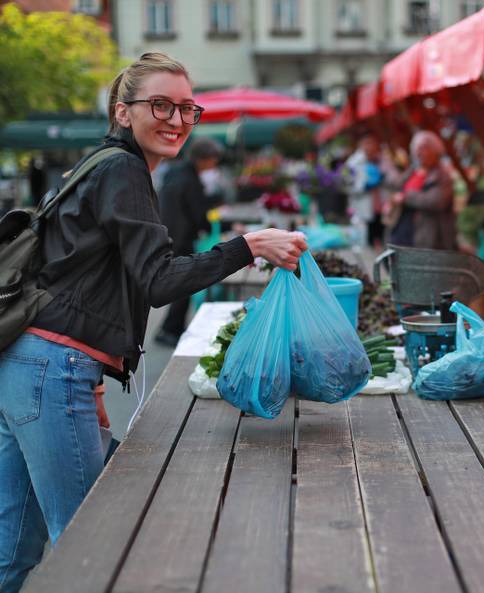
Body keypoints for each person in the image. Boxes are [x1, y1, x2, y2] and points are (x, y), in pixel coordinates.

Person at [0, 52, 307, 593]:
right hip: (51, 369)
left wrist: (91, 379)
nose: (177, 120)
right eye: (160, 105)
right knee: (94, 548)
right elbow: (159, 280)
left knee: (13, 550)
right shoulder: (123, 169)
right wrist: (250, 245)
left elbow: (75, 279)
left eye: (188, 108)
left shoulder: (100, 165)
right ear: (124, 111)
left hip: (29, 364)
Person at [154, 137, 225, 346]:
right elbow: (198, 212)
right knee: (183, 284)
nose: (214, 164)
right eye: (213, 160)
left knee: (180, 283)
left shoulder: (176, 172)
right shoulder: (190, 179)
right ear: (204, 159)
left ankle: (172, 328)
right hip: (181, 236)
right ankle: (170, 330)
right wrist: (215, 225)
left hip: (168, 233)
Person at [387, 130, 456, 250]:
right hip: (403, 227)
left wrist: (405, 197)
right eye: (416, 148)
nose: (419, 152)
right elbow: (396, 186)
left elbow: (437, 201)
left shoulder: (442, 175)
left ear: (435, 151)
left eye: (424, 148)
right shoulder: (413, 171)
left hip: (428, 234)